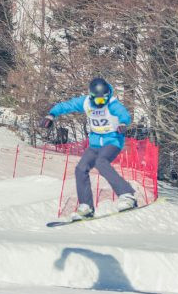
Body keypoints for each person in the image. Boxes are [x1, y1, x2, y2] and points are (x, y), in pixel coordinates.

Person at [40, 77, 137, 220]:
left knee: (101, 162)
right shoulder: (85, 102)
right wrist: (51, 115)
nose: (100, 103)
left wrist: (123, 123)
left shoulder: (112, 103)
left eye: (103, 100)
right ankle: (86, 207)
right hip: (95, 143)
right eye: (97, 101)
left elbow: (124, 115)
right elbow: (66, 105)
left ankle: (127, 195)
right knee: (81, 168)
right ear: (91, 97)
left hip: (113, 140)